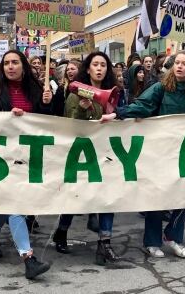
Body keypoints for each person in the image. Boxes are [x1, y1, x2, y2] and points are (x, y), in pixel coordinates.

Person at [103, 51, 185, 259]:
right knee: (158, 196)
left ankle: (173, 236)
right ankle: (152, 241)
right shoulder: (161, 87)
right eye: (177, 63)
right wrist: (118, 113)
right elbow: (142, 105)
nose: (180, 67)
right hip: (161, 150)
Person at [0, 50, 52, 279]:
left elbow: (49, 123)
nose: (10, 67)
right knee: (15, 203)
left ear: (23, 65)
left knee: (9, 203)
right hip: (3, 156)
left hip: (30, 157)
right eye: (6, 63)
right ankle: (28, 258)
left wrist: (48, 103)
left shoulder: (38, 90)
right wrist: (6, 118)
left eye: (15, 62)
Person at [55, 51, 121, 265]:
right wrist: (83, 111)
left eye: (103, 64)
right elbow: (69, 124)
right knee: (76, 197)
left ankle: (105, 244)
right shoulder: (76, 95)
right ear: (89, 68)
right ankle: (62, 231)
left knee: (107, 197)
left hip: (106, 152)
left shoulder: (114, 93)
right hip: (82, 153)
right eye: (96, 64)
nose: (100, 68)